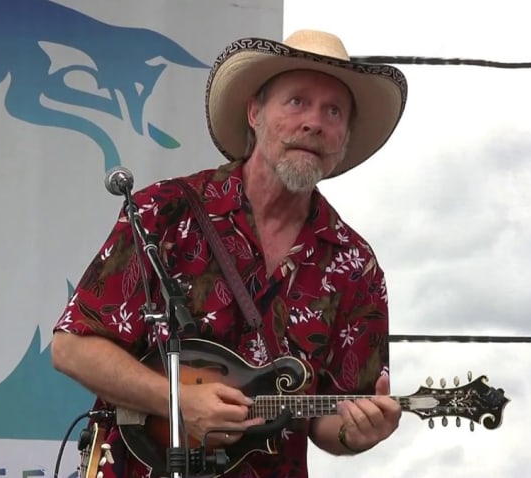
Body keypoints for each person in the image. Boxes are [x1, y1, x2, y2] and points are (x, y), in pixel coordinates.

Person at [51, 29, 408, 478]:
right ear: (255, 113)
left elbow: (329, 418)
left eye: (333, 111)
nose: (314, 122)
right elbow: (72, 346)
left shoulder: (356, 266)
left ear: (344, 137)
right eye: (297, 101)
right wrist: (178, 402)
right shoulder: (165, 211)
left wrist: (356, 434)